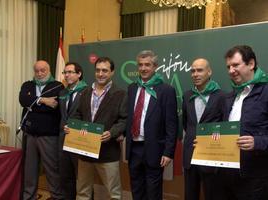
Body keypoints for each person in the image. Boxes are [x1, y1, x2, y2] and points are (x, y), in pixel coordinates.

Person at [69, 57, 127, 200]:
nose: (100, 74)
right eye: (98, 70)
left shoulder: (120, 94)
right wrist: (74, 127)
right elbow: (77, 114)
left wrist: (112, 132)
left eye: (105, 70)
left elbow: (124, 120)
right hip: (85, 150)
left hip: (108, 152)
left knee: (113, 194)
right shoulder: (85, 92)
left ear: (112, 72)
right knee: (82, 192)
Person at [126, 50, 178, 200]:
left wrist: (168, 152)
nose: (143, 68)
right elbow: (129, 116)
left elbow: (171, 124)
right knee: (136, 189)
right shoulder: (132, 88)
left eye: (147, 65)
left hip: (155, 149)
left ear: (155, 66)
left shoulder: (166, 90)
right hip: (133, 148)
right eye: (140, 65)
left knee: (153, 192)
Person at [217, 45, 268, 200]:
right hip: (229, 176)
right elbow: (224, 131)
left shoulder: (266, 92)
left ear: (251, 64)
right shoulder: (230, 97)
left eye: (235, 65)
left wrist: (258, 142)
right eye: (228, 67)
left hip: (256, 178)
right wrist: (205, 142)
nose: (231, 70)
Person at [19, 60, 64, 200]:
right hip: (30, 134)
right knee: (29, 170)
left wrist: (33, 103)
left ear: (49, 70)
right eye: (37, 70)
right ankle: (29, 197)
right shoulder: (27, 85)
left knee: (52, 170)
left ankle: (57, 196)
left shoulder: (58, 86)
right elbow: (23, 100)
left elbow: (54, 106)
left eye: (43, 70)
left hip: (49, 136)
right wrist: (43, 101)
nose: (39, 73)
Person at [182, 58, 226, 200]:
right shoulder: (187, 95)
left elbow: (224, 126)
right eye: (192, 71)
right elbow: (186, 123)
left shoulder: (221, 96)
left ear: (209, 72)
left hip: (212, 156)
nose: (195, 74)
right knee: (190, 195)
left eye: (199, 70)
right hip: (190, 155)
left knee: (213, 195)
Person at [58, 62, 87, 200]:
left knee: (82, 179)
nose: (67, 75)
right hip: (63, 139)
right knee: (65, 176)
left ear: (79, 74)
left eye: (70, 72)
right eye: (65, 72)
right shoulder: (63, 92)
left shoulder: (88, 91)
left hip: (80, 140)